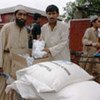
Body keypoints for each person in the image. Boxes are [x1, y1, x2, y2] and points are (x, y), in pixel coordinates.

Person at [0, 5, 28, 100]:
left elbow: (26, 48)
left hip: (19, 63)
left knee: (16, 85)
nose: (22, 17)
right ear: (15, 15)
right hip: (7, 61)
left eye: (24, 15)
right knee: (4, 85)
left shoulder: (25, 30)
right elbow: (0, 46)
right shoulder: (6, 27)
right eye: (20, 14)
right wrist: (0, 64)